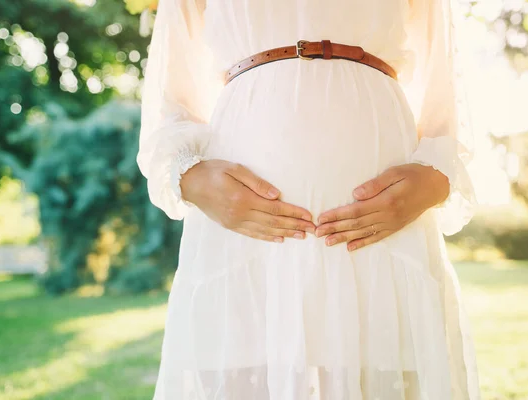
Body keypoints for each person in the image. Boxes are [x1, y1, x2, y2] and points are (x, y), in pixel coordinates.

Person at [137, 0, 480, 398]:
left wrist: (434, 177)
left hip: (383, 230)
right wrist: (191, 177)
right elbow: (169, 99)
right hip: (244, 233)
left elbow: (443, 85)